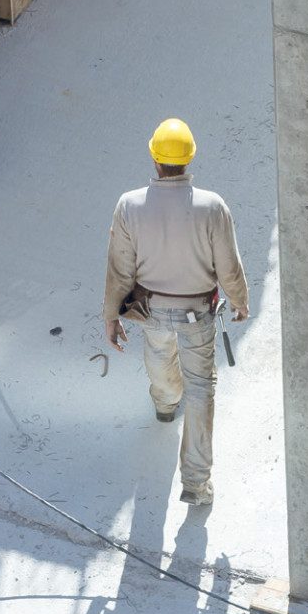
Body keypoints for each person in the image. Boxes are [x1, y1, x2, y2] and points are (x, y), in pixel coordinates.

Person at [102, 118, 248, 505]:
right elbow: (228, 266)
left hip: (150, 310)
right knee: (201, 391)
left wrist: (111, 315)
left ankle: (165, 405)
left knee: (158, 355)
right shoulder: (211, 206)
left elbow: (120, 267)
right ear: (190, 159)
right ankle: (196, 484)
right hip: (196, 313)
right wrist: (239, 300)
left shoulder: (129, 205)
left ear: (154, 159)